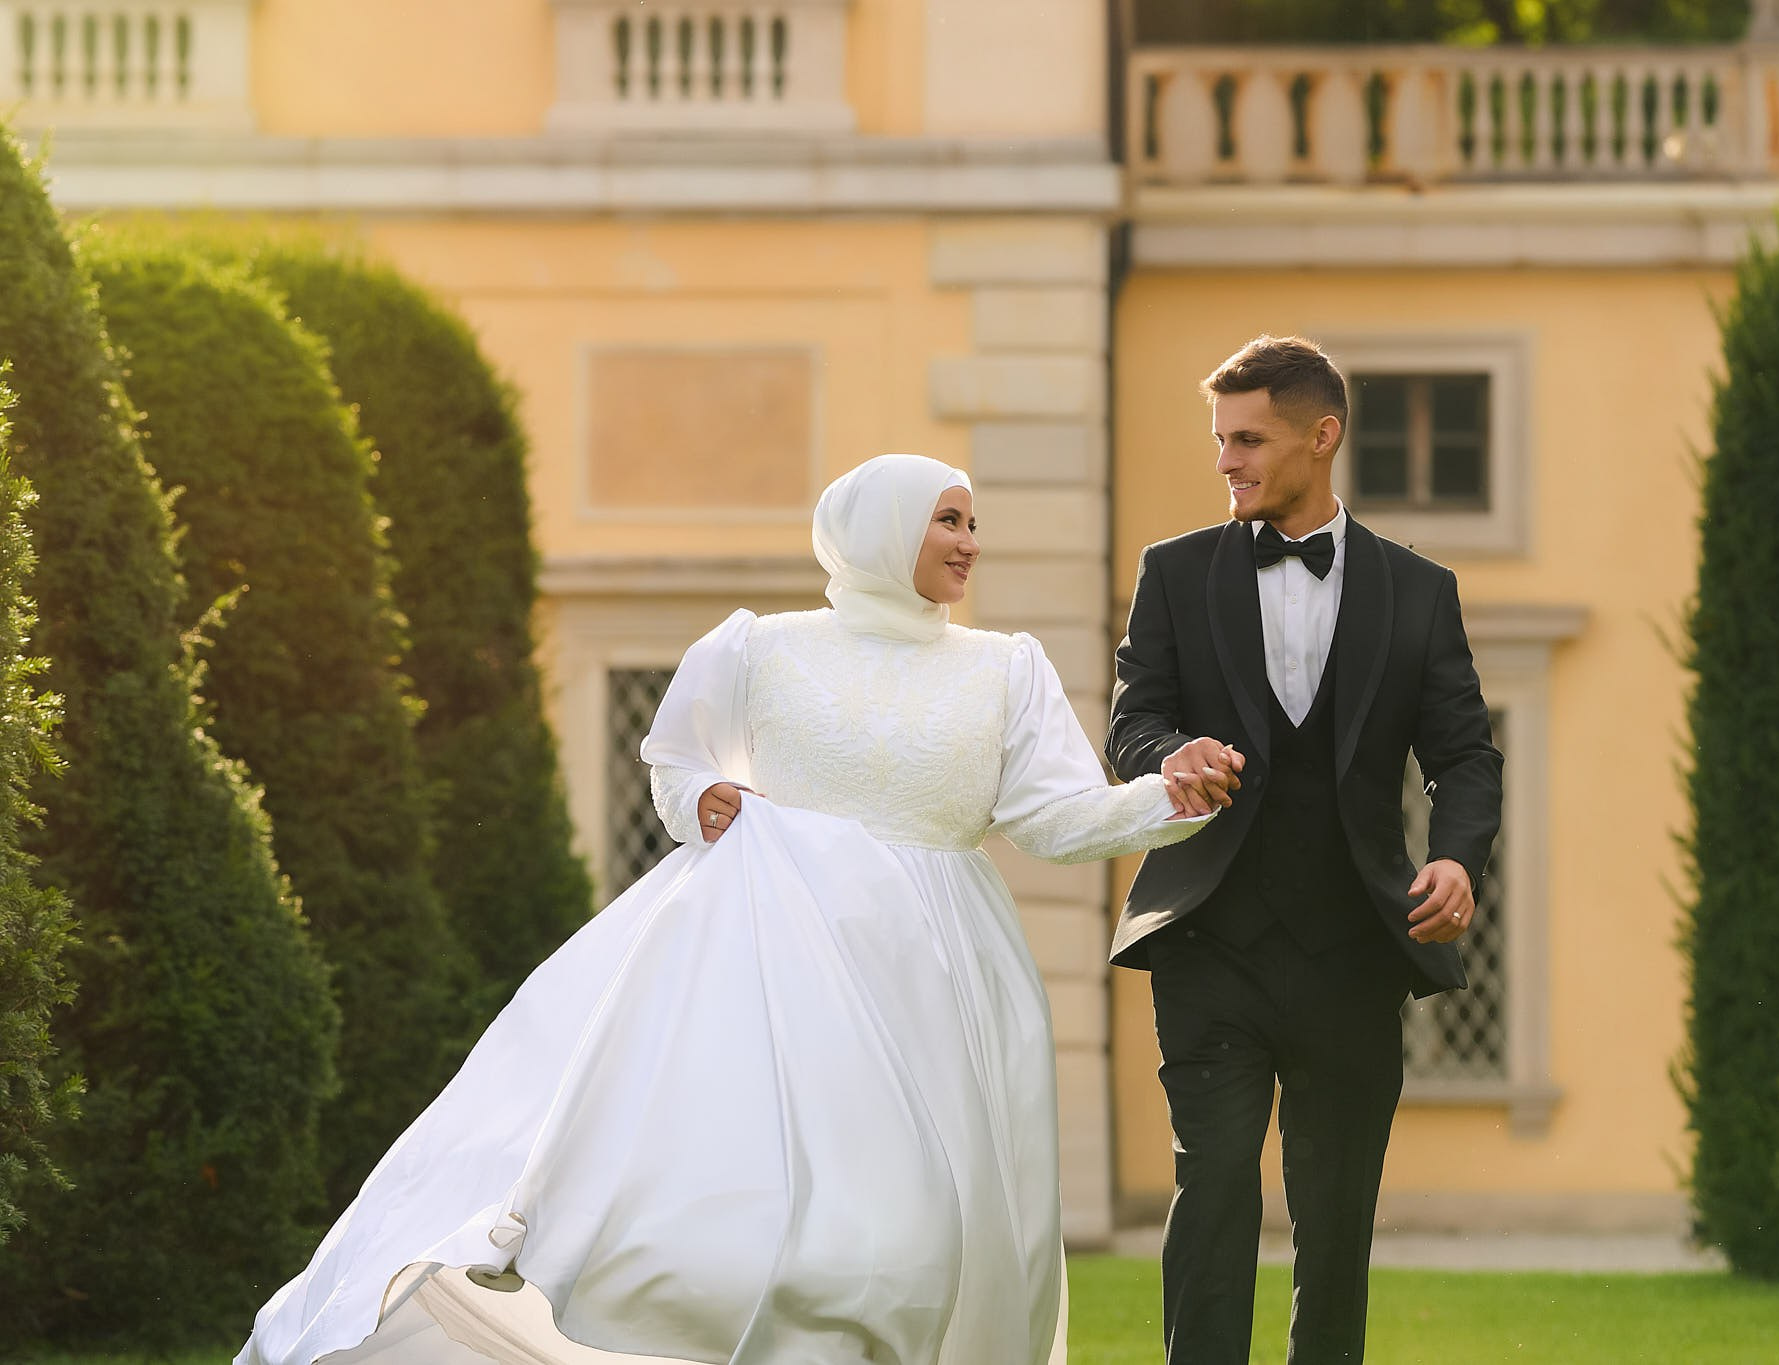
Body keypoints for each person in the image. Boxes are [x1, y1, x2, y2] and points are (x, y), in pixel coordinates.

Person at [238, 453, 1215, 1365]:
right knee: (764, 1218)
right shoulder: (757, 648)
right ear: (877, 529)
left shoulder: (1005, 669)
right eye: (945, 519)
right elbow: (677, 758)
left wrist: (1163, 799)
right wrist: (697, 800)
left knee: (922, 1229)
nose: (968, 540)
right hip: (772, 959)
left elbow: (1051, 819)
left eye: (973, 522)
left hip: (937, 975)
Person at [1106, 335, 1503, 1364]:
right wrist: (1167, 752)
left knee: (1333, 1223)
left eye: (1248, 439)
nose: (1226, 460)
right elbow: (1131, 718)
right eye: (1219, 440)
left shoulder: (1416, 594)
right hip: (1208, 942)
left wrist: (1456, 859)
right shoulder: (1173, 574)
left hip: (1352, 952)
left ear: (1319, 437)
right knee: (1215, 1185)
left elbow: (1462, 755)